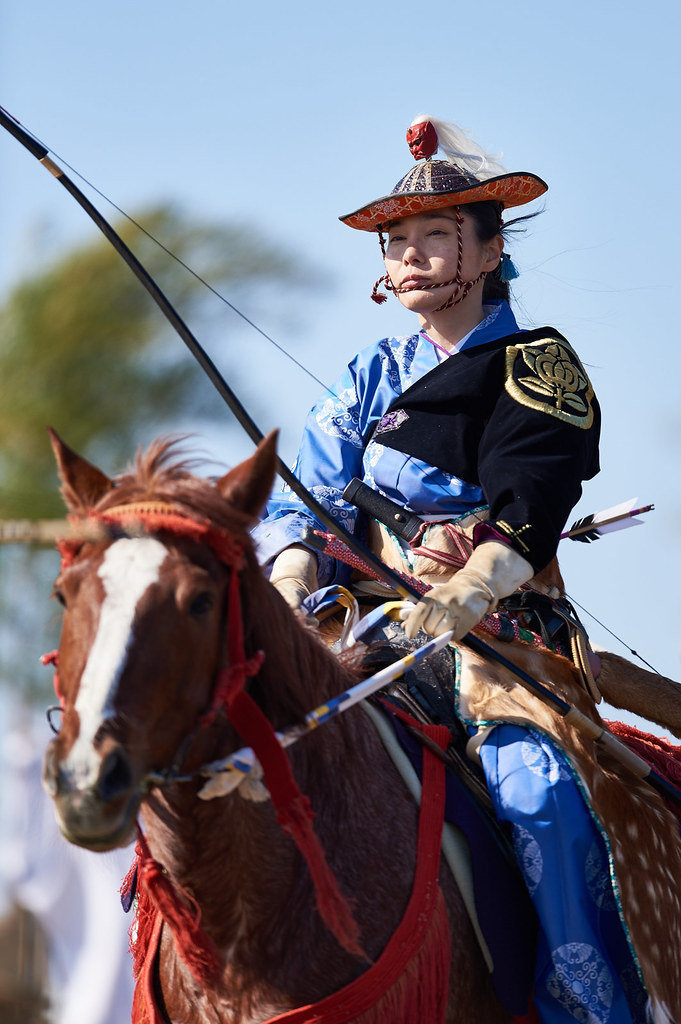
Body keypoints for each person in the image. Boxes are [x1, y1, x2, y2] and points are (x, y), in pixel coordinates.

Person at [253, 117, 649, 1022]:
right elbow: (302, 498)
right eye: (397, 243)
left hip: (493, 636)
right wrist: (285, 579)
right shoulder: (367, 372)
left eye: (436, 237)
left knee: (536, 791)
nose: (412, 258)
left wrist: (475, 581)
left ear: (488, 249)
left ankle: (591, 1007)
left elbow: (534, 487)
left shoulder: (534, 363)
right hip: (360, 629)